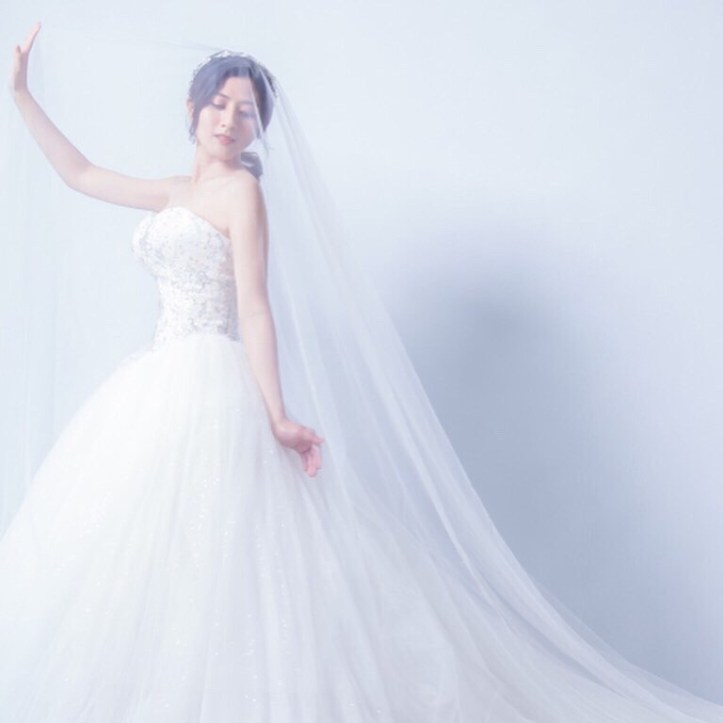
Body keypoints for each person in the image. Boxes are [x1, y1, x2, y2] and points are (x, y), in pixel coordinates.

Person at [2, 21, 723, 723]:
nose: (228, 120)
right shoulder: (171, 190)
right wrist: (23, 96)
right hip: (159, 381)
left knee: (220, 551)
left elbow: (254, 307)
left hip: (210, 386)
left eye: (246, 112)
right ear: (191, 107)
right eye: (219, 103)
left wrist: (276, 413)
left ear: (258, 129)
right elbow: (80, 173)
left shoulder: (242, 195)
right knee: (163, 552)